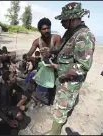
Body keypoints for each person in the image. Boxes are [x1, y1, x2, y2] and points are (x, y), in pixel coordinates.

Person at [43, 2, 95, 135]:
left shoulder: (84, 36)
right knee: (60, 103)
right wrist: (51, 51)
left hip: (70, 80)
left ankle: (54, 132)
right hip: (63, 77)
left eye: (64, 20)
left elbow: (83, 66)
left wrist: (58, 67)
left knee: (62, 106)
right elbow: (61, 49)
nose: (61, 23)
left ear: (73, 19)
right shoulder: (70, 32)